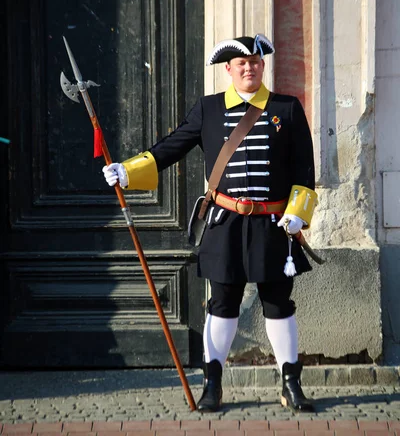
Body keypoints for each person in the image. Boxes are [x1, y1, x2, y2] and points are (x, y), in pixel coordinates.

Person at [102, 34, 318, 413]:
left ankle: (290, 384)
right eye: (241, 63)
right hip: (226, 223)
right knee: (222, 304)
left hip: (272, 223)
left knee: (279, 304)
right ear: (229, 70)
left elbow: (304, 168)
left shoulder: (287, 108)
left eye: (254, 61)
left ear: (263, 66)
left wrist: (298, 210)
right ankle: (212, 384)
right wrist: (127, 171)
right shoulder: (209, 109)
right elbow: (173, 146)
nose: (248, 67)